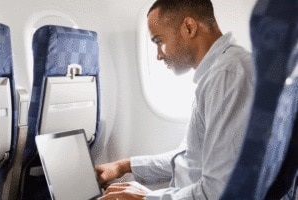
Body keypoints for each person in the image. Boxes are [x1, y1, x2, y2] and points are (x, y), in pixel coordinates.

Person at [95, 0, 255, 199]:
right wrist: (123, 166)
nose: (158, 55)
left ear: (189, 27)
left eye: (159, 41)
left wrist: (146, 198)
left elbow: (219, 191)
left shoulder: (228, 76)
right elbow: (189, 156)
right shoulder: (217, 74)